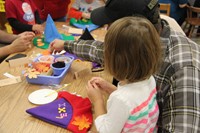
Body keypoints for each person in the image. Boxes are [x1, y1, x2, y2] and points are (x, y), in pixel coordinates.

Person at [49, 0, 200, 132]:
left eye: (109, 25)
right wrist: (66, 45)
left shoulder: (185, 68)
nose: (106, 29)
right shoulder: (138, 48)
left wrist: (98, 102)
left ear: (130, 30)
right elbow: (100, 50)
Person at [86, 16, 161, 133]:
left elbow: (105, 131)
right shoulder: (149, 79)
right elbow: (133, 103)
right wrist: (109, 87)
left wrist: (97, 101)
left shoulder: (121, 100)